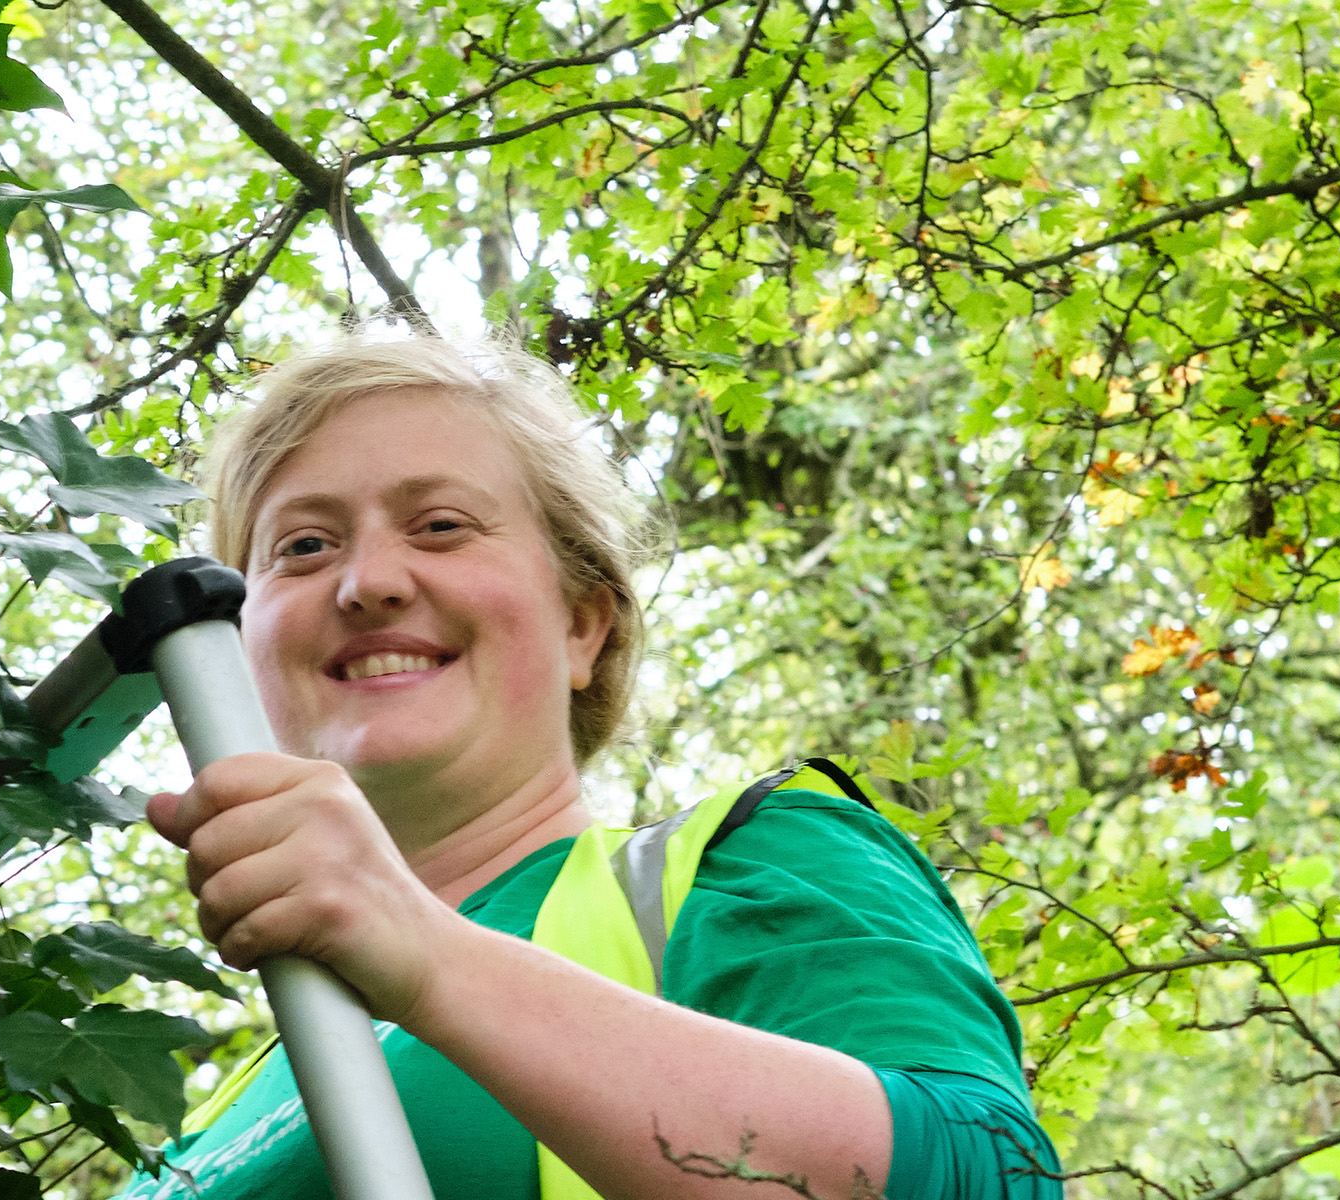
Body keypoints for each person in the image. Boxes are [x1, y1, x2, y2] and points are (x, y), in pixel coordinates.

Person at [114, 334, 1061, 1200]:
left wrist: (428, 956)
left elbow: (993, 1181)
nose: (369, 583)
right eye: (305, 547)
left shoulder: (742, 865)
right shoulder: (241, 1087)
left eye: (440, 525)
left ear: (582, 625)